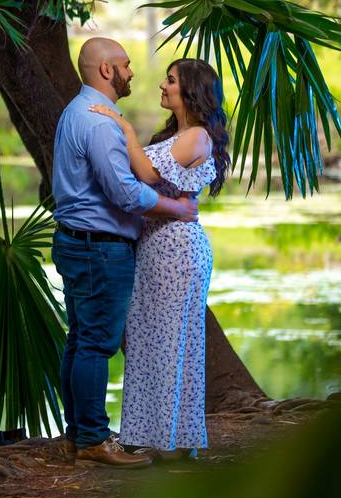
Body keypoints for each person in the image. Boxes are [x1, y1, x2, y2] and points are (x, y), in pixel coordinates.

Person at [52, 38, 199, 469]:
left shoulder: (76, 111)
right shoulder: (98, 123)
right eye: (126, 65)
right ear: (105, 71)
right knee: (95, 344)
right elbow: (124, 191)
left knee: (80, 339)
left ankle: (78, 435)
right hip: (99, 248)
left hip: (77, 242)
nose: (133, 72)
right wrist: (176, 208)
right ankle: (95, 440)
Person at [88, 58, 228, 461]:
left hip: (177, 250)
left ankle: (168, 440)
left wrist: (124, 127)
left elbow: (147, 175)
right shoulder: (176, 134)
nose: (162, 86)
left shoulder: (197, 137)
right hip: (157, 247)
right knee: (150, 342)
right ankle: (158, 436)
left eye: (170, 81)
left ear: (190, 91)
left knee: (168, 342)